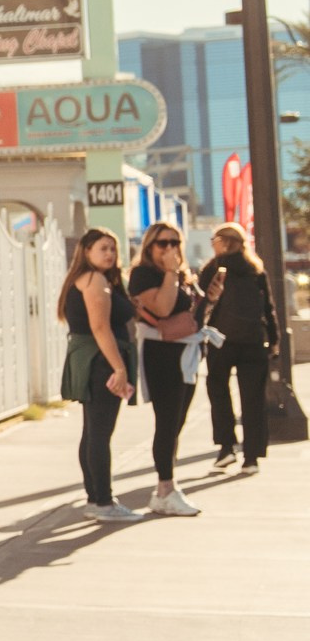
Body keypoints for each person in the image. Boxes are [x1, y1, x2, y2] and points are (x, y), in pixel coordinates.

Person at [58, 228, 140, 520]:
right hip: (101, 361)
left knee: (92, 432)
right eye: (103, 248)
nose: (109, 254)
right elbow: (100, 327)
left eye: (113, 249)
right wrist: (119, 368)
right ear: (87, 251)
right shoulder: (94, 280)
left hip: (92, 360)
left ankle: (96, 499)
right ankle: (103, 502)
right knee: (100, 434)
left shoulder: (90, 279)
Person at [128, 221, 203, 518]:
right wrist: (171, 272)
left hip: (187, 352)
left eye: (175, 242)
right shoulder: (143, 274)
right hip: (161, 354)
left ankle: (167, 486)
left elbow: (190, 311)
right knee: (167, 422)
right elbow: (162, 308)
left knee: (178, 423)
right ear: (149, 247)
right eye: (163, 243)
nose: (170, 248)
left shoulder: (181, 274)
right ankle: (165, 489)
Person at [199, 221, 279, 472]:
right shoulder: (256, 270)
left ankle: (226, 448)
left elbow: (201, 303)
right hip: (254, 341)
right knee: (253, 399)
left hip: (220, 341)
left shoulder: (213, 269)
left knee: (218, 390)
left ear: (223, 243)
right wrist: (274, 339)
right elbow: (269, 309)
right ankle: (252, 457)